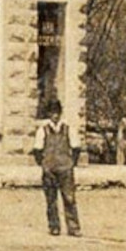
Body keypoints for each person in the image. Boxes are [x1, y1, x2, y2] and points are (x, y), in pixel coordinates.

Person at [32, 99, 82, 237]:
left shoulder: (68, 129)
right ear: (49, 114)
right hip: (49, 169)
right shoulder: (43, 130)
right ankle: (54, 226)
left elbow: (76, 147)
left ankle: (73, 227)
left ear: (60, 113)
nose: (55, 116)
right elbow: (37, 149)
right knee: (51, 199)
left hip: (65, 169)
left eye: (57, 113)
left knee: (69, 198)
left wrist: (72, 163)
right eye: (52, 113)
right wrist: (43, 164)